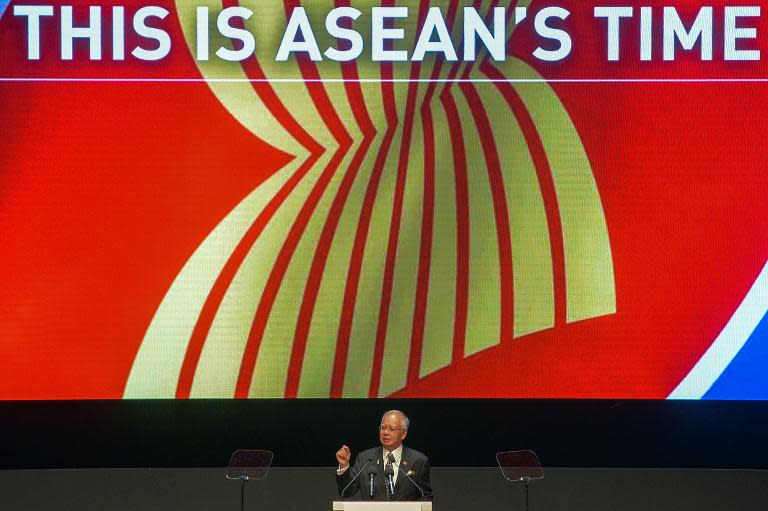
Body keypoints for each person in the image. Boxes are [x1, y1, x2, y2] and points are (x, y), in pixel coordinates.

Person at [335, 410, 433, 501]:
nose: (385, 432)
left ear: (403, 434)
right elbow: (346, 491)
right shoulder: (365, 458)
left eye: (392, 429)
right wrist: (344, 466)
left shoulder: (418, 460)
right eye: (383, 427)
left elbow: (426, 497)